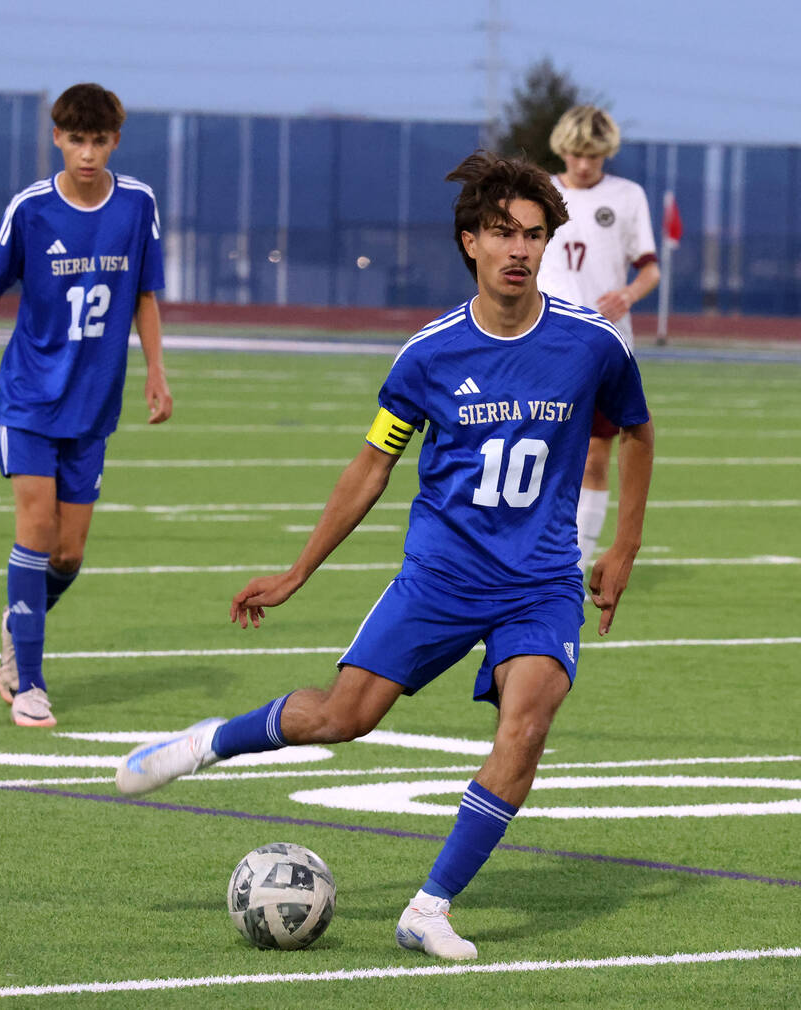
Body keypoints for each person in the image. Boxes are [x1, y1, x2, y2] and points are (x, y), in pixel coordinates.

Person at [116, 152, 654, 961]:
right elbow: (374, 464)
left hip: (541, 579)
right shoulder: (428, 354)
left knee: (528, 724)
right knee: (343, 718)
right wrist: (299, 570)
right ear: (470, 242)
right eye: (502, 233)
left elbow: (638, 431)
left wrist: (624, 544)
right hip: (442, 574)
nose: (519, 250)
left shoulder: (591, 345)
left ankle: (429, 908)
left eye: (534, 236)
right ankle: (211, 741)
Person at [0, 82, 172, 730]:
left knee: (67, 557)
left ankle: (20, 621)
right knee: (36, 533)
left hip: (93, 408)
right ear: (57, 138)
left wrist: (157, 371)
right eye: (76, 139)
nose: (88, 153)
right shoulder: (31, 210)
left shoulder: (137, 206)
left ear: (116, 141)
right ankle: (30, 685)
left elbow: (145, 296)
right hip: (28, 401)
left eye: (99, 140)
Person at [537, 105, 659, 569]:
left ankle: (574, 564)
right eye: (575, 153)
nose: (583, 164)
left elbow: (650, 268)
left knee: (593, 458)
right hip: (542, 343)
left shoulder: (627, 196)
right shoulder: (540, 191)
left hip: (604, 345)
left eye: (592, 155)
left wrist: (627, 294)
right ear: (562, 150)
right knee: (537, 454)